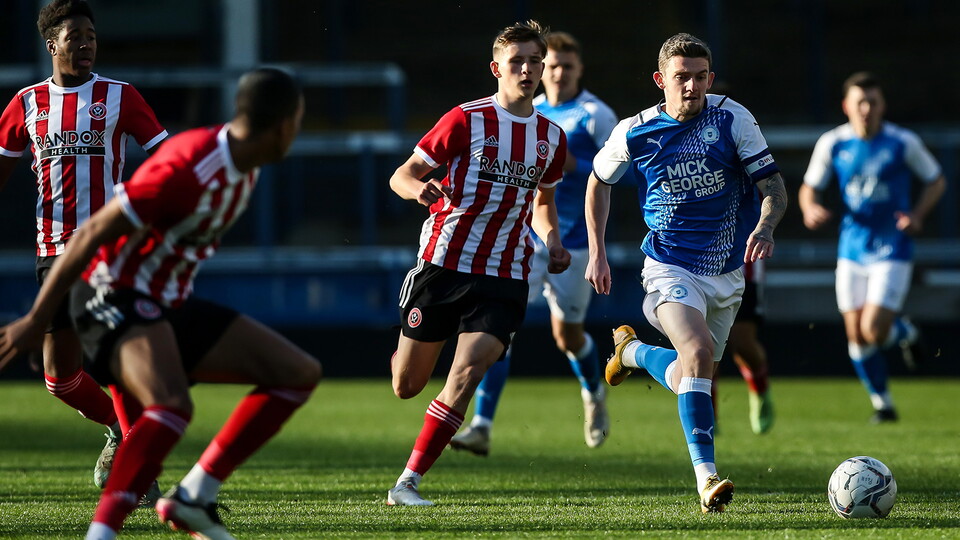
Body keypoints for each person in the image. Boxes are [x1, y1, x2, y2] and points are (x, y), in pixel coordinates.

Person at [0, 67, 317, 540]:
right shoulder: (189, 166)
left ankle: (193, 498)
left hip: (162, 302)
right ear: (285, 125)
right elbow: (89, 234)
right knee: (169, 405)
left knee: (298, 373)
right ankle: (101, 534)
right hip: (110, 294)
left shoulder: (245, 166)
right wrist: (36, 318)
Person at [584, 33, 787, 513]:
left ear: (710, 78)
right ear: (661, 81)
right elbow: (598, 181)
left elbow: (773, 184)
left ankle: (631, 352)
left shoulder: (733, 117)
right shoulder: (635, 131)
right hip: (668, 266)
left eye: (700, 77)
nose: (692, 87)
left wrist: (766, 223)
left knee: (689, 375)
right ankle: (707, 479)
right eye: (681, 78)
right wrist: (597, 252)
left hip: (728, 274)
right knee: (695, 353)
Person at [386, 20, 570, 506]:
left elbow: (543, 202)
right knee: (406, 385)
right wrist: (418, 188)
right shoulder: (465, 120)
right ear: (497, 69)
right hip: (445, 263)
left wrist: (551, 241)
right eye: (518, 62)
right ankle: (407, 345)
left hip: (506, 273)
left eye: (535, 61)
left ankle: (408, 482)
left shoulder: (552, 138)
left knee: (467, 373)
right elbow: (401, 175)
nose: (528, 70)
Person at [0, 0, 167, 494]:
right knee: (59, 378)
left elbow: (166, 159)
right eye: (76, 36)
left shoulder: (121, 96)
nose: (87, 43)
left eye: (92, 35)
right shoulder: (26, 104)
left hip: (108, 255)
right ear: (52, 45)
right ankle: (119, 431)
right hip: (52, 254)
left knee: (117, 361)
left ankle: (142, 470)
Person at [450, 31, 617, 455]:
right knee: (497, 330)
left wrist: (574, 164)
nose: (558, 73)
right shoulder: (529, 113)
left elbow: (627, 174)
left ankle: (594, 392)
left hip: (573, 242)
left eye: (566, 66)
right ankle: (483, 425)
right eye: (553, 65)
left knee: (568, 336)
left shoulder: (595, 115)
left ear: (579, 70)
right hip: (521, 239)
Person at [800, 71, 945, 424]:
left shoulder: (901, 142)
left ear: (882, 106)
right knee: (855, 333)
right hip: (852, 247)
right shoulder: (833, 143)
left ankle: (904, 331)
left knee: (873, 331)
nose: (866, 109)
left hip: (892, 247)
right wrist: (809, 208)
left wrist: (917, 214)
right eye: (860, 102)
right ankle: (883, 404)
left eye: (873, 102)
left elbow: (935, 179)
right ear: (846, 106)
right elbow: (809, 187)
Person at [713, 258, 774, 435]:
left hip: (743, 268)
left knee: (741, 344)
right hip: (699, 267)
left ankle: (759, 387)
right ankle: (707, 414)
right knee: (703, 345)